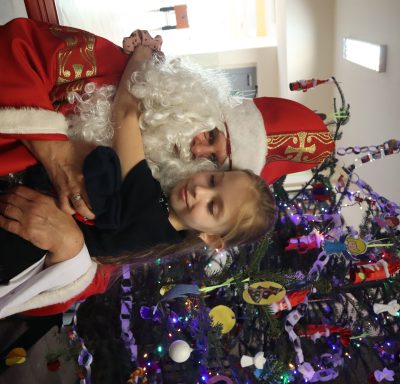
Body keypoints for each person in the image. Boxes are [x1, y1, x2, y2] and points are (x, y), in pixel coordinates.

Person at [0, 43, 277, 318]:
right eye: (214, 180)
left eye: (213, 206)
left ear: (211, 238)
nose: (200, 190)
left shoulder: (149, 211)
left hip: (21, 234)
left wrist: (143, 54)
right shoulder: (165, 233)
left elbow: (125, 113)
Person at [0, 18, 334, 218]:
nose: (197, 151)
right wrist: (54, 151)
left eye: (213, 162)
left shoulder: (152, 200)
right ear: (205, 104)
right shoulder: (114, 69)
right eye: (212, 135)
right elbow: (14, 46)